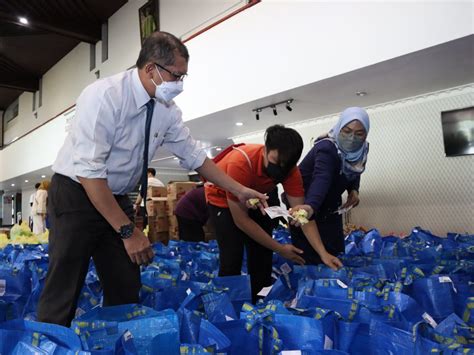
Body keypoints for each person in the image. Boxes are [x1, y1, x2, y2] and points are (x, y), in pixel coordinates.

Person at [37, 31, 267, 327]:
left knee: (125, 283)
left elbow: (194, 156)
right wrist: (128, 231)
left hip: (116, 196)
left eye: (183, 77)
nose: (179, 85)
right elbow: (90, 173)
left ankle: (118, 341)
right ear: (150, 69)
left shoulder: (166, 110)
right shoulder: (104, 96)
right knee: (64, 285)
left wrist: (240, 189)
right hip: (76, 194)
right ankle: (50, 341)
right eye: (176, 76)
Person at [205, 125, 342, 302]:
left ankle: (260, 303)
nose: (280, 169)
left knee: (263, 254)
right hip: (223, 200)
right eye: (276, 162)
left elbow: (303, 215)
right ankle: (228, 312)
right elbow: (241, 221)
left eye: (286, 166)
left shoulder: (290, 170)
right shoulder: (241, 162)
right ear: (265, 149)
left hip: (259, 197)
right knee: (232, 256)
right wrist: (280, 248)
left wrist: (323, 253)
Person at [290, 107, 370, 264]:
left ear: (366, 134)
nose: (352, 138)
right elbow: (322, 178)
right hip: (307, 203)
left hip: (331, 206)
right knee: (311, 257)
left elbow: (354, 170)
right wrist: (310, 207)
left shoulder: (362, 149)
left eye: (359, 134)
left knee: (335, 252)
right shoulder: (326, 147)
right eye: (346, 131)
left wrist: (354, 190)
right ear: (339, 128)